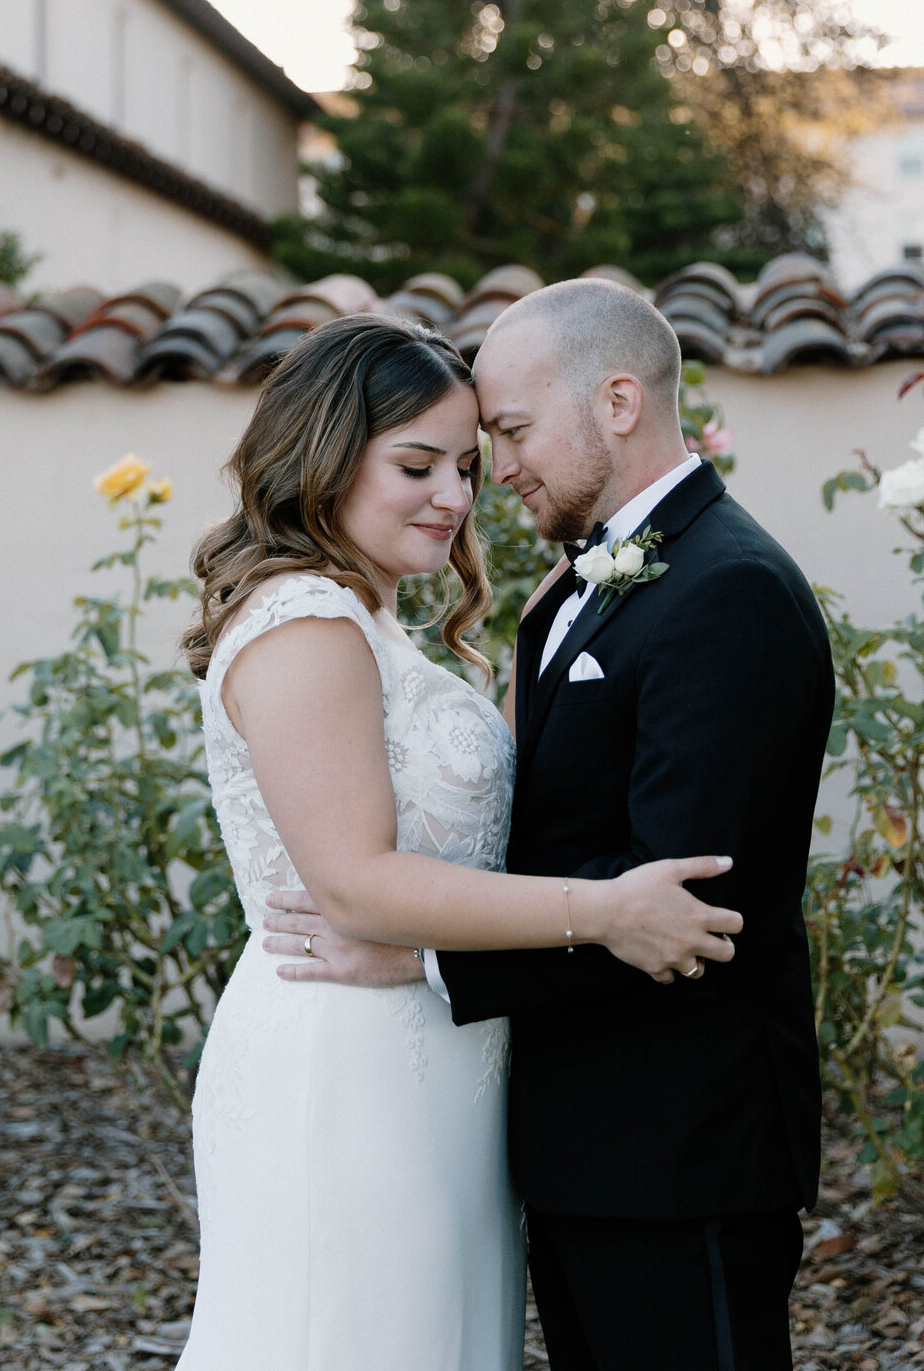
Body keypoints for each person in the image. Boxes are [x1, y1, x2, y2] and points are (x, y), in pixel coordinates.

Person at [271, 281, 833, 1371]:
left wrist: (419, 963)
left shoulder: (730, 590)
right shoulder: (585, 585)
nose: (496, 474)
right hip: (581, 1137)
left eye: (509, 436)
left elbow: (683, 900)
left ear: (619, 401)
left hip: (680, 1142)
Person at [175, 312, 742, 1371]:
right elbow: (355, 883)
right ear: (327, 455)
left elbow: (471, 806)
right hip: (343, 1061)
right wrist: (605, 912)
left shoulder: (377, 625)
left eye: (470, 468)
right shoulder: (304, 622)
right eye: (417, 464)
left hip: (441, 1052)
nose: (456, 496)